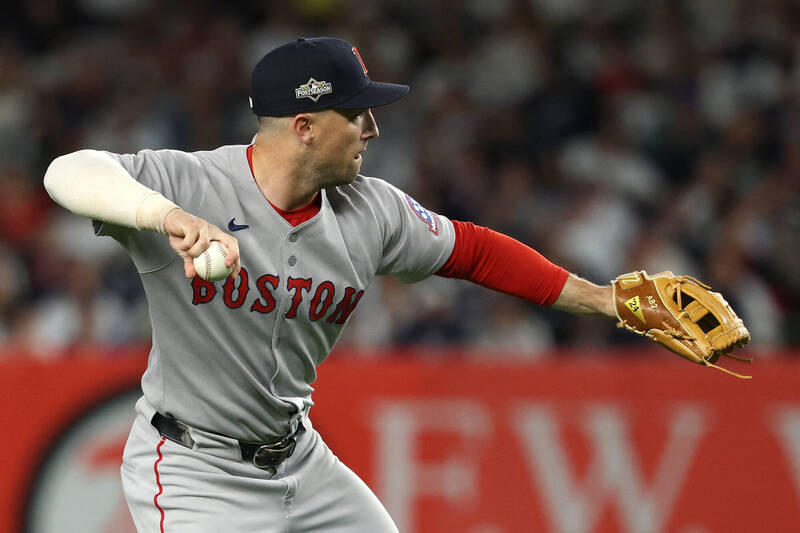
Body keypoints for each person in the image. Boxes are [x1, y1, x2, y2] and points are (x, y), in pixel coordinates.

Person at [44, 37, 618, 532]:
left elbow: (474, 251)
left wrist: (601, 299)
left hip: (301, 461)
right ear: (306, 128)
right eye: (357, 113)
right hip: (195, 469)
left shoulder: (373, 211)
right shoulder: (191, 184)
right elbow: (66, 170)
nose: (372, 128)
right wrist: (166, 216)